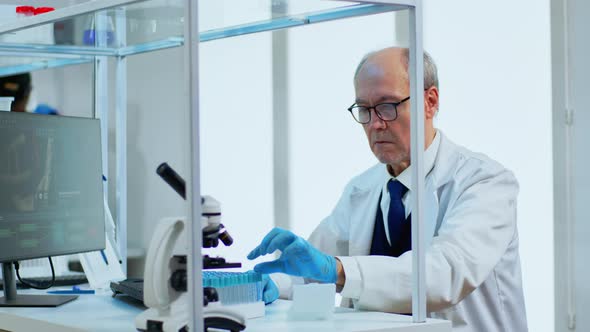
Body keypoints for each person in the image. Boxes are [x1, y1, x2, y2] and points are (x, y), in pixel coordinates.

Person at [247, 47, 527, 331]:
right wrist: (268, 281)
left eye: (387, 106)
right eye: (365, 110)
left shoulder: (484, 181)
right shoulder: (361, 189)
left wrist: (337, 270)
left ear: (429, 102)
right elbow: (310, 270)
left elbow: (445, 274)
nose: (375, 124)